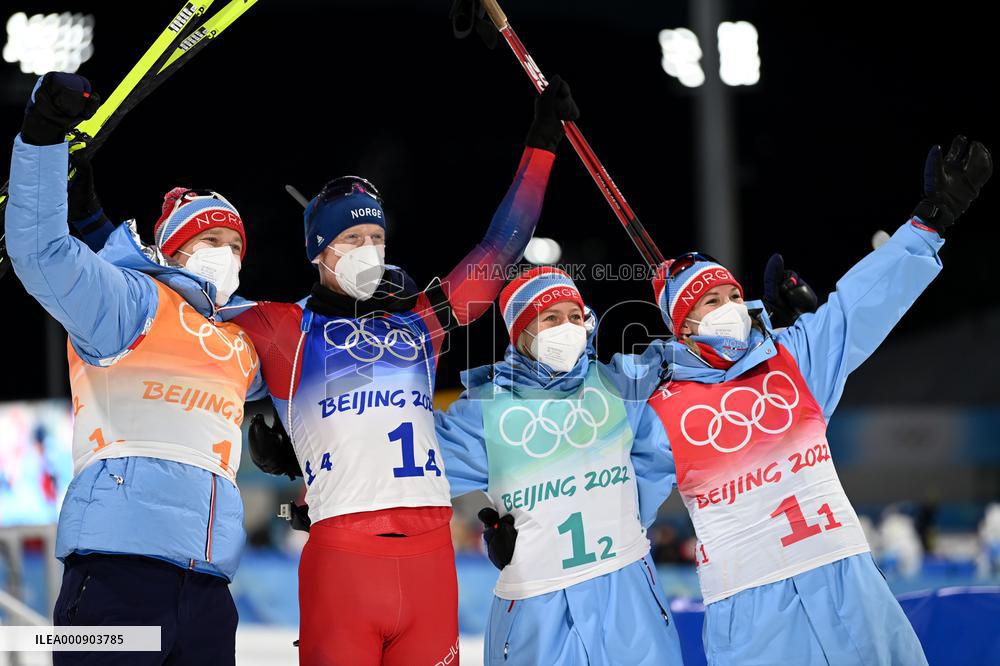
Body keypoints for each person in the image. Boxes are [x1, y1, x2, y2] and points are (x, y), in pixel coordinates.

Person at [237, 76, 580, 665]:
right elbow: (185, 330)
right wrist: (265, 419)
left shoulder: (421, 323)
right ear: (319, 249)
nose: (371, 248)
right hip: (343, 560)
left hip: (430, 558)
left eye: (377, 236)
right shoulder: (281, 327)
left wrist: (541, 143)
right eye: (353, 237)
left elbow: (500, 249)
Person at [644, 136, 991, 664]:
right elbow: (611, 499)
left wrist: (929, 222)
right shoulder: (663, 407)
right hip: (750, 617)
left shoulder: (791, 358)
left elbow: (857, 307)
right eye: (711, 301)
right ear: (682, 325)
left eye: (735, 295)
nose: (732, 306)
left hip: (848, 587)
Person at [6, 72, 266, 665]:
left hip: (208, 595)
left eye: (236, 244)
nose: (226, 254)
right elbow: (41, 252)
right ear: (169, 250)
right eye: (212, 240)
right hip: (114, 582)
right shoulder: (130, 304)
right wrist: (42, 137)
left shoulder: (239, 343)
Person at [433, 266, 684, 665]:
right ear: (521, 332)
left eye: (573, 316)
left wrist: (628, 517)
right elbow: (416, 461)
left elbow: (693, 371)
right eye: (550, 318)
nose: (565, 327)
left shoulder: (618, 383)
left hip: (628, 593)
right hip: (538, 605)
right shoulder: (485, 411)